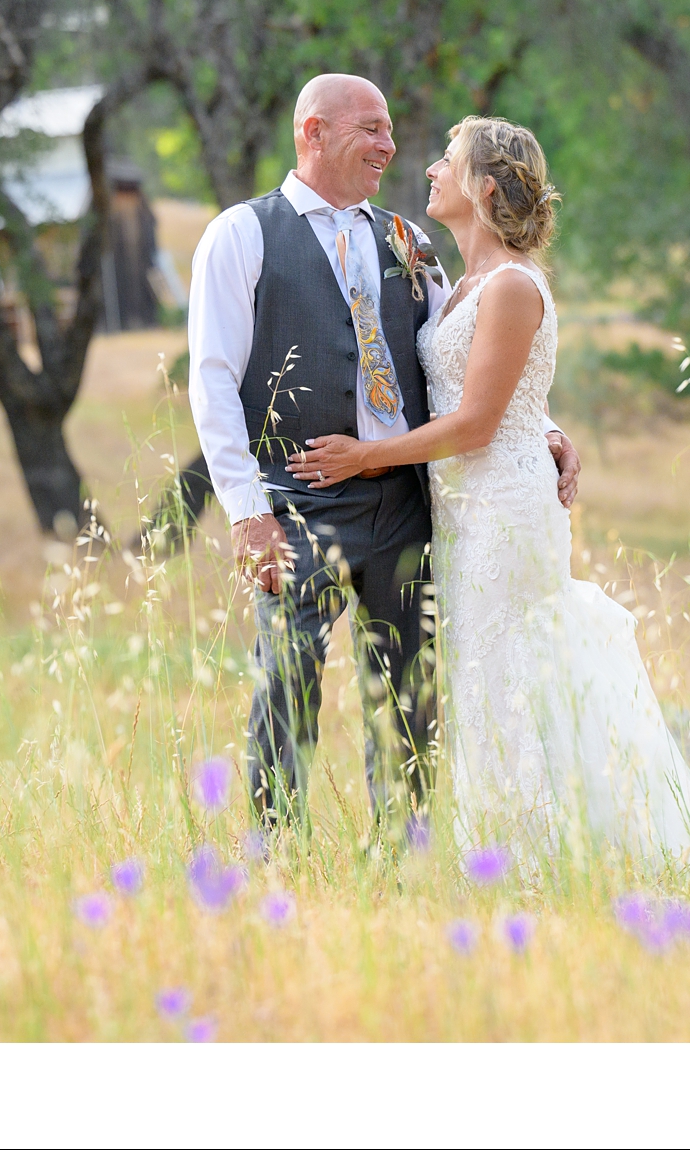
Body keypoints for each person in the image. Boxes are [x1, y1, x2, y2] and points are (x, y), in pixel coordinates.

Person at [289, 115, 690, 873]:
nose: (428, 169)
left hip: (505, 508)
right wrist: (549, 425)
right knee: (481, 678)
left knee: (505, 677)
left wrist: (366, 458)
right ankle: (508, 855)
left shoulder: (516, 286)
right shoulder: (459, 283)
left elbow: (481, 422)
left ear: (483, 187)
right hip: (463, 510)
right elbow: (506, 391)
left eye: (446, 161)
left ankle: (531, 861)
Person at [186, 74, 580, 830]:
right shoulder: (240, 234)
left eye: (391, 128)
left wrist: (543, 426)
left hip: (405, 505)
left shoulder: (408, 241)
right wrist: (246, 511)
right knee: (286, 677)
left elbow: (472, 365)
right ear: (313, 133)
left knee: (409, 691)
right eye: (370, 128)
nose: (390, 145)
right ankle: (274, 843)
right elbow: (211, 381)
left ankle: (408, 849)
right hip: (299, 505)